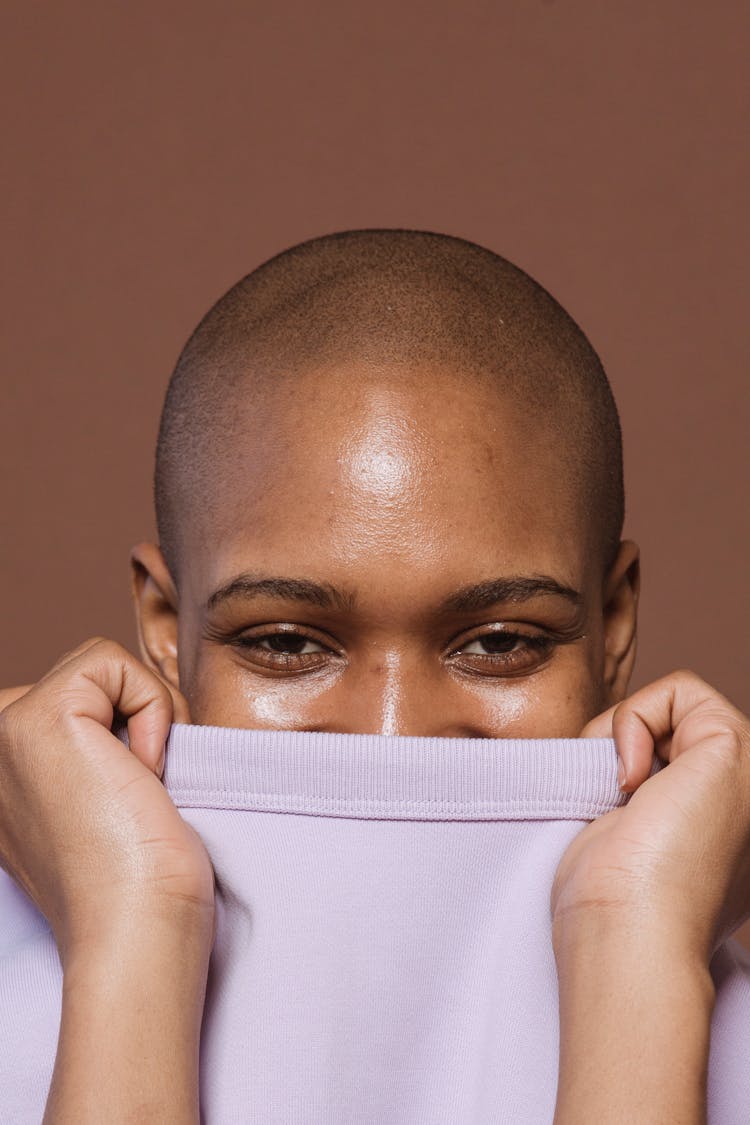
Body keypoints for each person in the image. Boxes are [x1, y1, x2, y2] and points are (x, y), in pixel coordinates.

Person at [1, 228, 749, 1123]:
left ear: (613, 625)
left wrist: (638, 945)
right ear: (166, 628)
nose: (393, 738)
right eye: (285, 643)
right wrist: (135, 927)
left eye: (501, 640)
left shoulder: (679, 965)